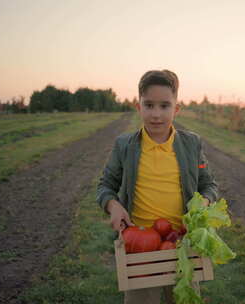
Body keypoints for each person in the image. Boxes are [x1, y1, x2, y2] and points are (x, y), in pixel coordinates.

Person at [96, 69, 218, 304]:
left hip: (182, 243)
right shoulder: (125, 146)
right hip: (141, 246)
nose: (156, 114)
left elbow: (209, 185)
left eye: (164, 106)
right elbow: (105, 186)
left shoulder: (191, 144)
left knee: (183, 298)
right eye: (149, 105)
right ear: (138, 106)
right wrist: (113, 206)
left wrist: (203, 203)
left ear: (176, 109)